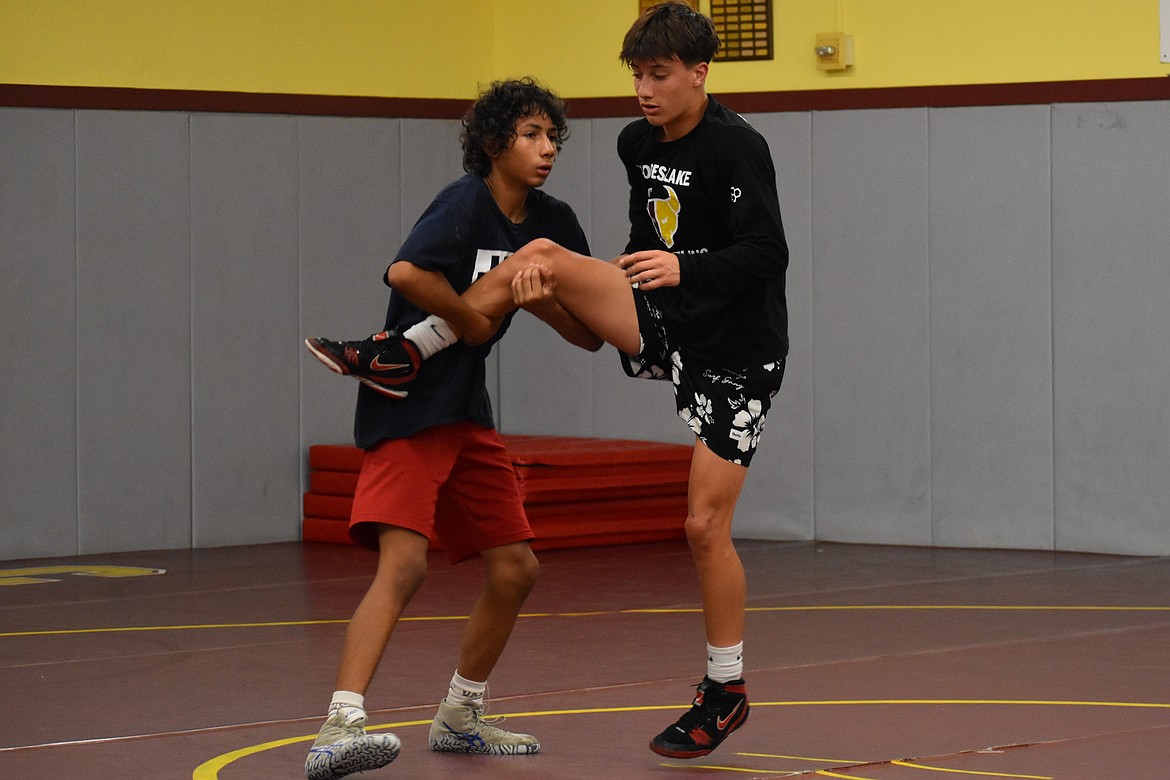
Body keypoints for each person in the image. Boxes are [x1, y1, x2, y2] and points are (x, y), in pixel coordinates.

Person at [311, 0, 789, 760]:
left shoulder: (737, 148)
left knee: (694, 528)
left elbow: (766, 253)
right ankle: (408, 352)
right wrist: (608, 284)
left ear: (700, 74)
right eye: (636, 75)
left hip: (734, 351)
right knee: (540, 259)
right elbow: (637, 241)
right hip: (650, 325)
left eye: (659, 75)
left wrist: (674, 268)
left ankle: (724, 689)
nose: (643, 90)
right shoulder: (627, 145)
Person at [301, 77, 601, 780]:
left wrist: (537, 306)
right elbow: (406, 271)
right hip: (408, 408)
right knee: (404, 566)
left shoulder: (552, 222)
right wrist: (471, 321)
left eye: (553, 136)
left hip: (466, 408)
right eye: (530, 135)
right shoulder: (465, 201)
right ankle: (337, 726)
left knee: (515, 568)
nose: (547, 148)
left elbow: (588, 334)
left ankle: (462, 713)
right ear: (495, 142)